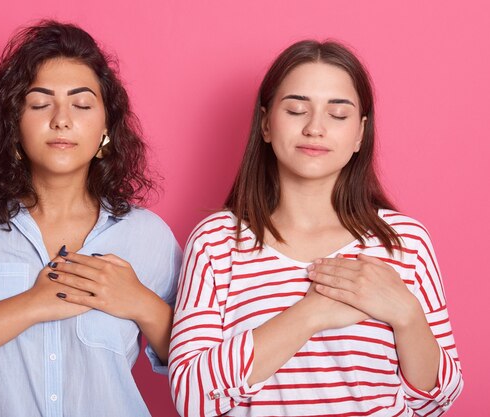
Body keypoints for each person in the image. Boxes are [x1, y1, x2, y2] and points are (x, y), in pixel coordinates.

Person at [0, 20, 181, 417]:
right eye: (40, 104)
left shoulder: (147, 236)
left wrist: (142, 304)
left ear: (106, 126)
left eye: (81, 104)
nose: (61, 119)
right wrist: (31, 305)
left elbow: (203, 371)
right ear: (14, 125)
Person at [169, 40, 462, 417]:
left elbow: (437, 401)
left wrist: (406, 314)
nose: (315, 128)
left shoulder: (405, 241)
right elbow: (192, 399)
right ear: (265, 123)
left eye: (338, 115)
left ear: (360, 134)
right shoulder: (217, 241)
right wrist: (312, 314)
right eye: (295, 110)